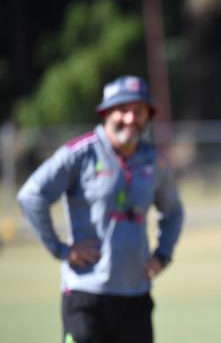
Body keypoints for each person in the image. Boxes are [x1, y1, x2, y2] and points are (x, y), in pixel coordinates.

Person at [17, 75, 184, 343]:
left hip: (135, 298)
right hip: (86, 296)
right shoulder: (79, 154)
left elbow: (173, 211)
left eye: (138, 111)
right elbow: (31, 195)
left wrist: (163, 254)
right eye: (123, 110)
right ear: (107, 113)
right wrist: (61, 249)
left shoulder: (155, 162)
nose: (131, 119)